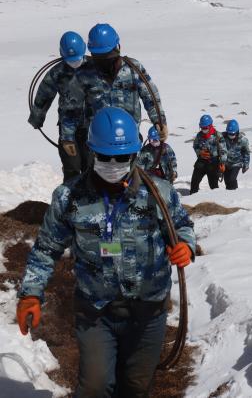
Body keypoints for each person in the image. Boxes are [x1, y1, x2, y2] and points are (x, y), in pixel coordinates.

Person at [16, 107, 195, 398]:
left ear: (134, 155)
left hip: (148, 311)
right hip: (96, 312)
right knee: (95, 387)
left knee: (136, 387)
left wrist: (185, 245)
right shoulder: (69, 197)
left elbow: (182, 225)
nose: (113, 164)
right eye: (104, 156)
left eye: (121, 158)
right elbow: (46, 249)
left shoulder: (158, 193)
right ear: (91, 152)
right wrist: (30, 294)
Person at [77, 23, 169, 143]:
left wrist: (159, 121)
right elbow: (73, 105)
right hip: (97, 141)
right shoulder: (85, 73)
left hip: (129, 139)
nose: (104, 61)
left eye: (108, 56)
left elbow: (150, 96)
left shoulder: (134, 69)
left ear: (117, 48)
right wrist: (70, 136)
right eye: (99, 57)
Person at [28, 31, 91, 182]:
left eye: (77, 60)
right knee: (72, 168)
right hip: (68, 130)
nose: (74, 64)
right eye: (71, 61)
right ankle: (70, 195)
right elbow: (44, 95)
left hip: (93, 127)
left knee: (91, 167)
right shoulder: (57, 72)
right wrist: (37, 117)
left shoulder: (95, 68)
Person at [190, 114, 227, 194]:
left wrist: (223, 163)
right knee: (194, 181)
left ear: (210, 126)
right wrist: (200, 152)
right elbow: (195, 146)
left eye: (205, 128)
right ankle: (193, 197)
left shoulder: (218, 135)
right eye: (202, 127)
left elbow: (223, 151)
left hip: (213, 162)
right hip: (201, 161)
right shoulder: (199, 135)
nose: (203, 129)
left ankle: (216, 199)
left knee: (213, 185)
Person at [222, 119, 250, 190]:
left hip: (237, 163)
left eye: (233, 134)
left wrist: (246, 164)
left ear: (237, 132)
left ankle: (234, 192)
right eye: (229, 133)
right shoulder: (222, 137)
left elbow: (246, 153)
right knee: (227, 181)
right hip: (226, 163)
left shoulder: (243, 140)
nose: (231, 135)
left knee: (232, 179)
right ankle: (231, 193)